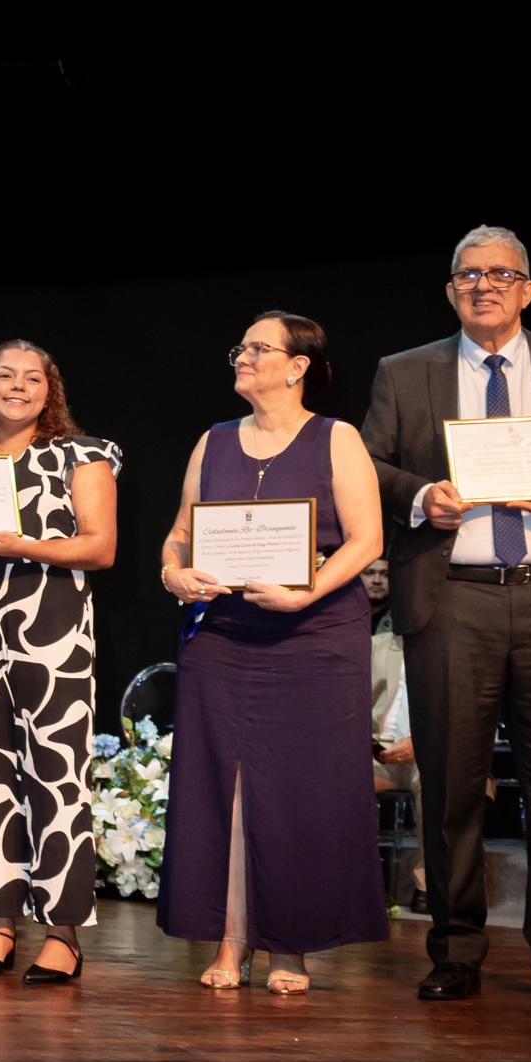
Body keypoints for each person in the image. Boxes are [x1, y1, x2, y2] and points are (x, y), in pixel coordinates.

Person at [360, 225, 531, 1007]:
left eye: (499, 273)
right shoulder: (404, 371)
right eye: (467, 275)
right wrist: (420, 496)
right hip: (454, 596)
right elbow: (368, 461)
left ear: (526, 288)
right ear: (452, 290)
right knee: (451, 784)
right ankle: (455, 947)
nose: (483, 285)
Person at [157, 311, 386, 994]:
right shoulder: (214, 440)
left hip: (313, 638)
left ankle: (292, 944)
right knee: (221, 784)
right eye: (240, 348)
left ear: (298, 366)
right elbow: (178, 535)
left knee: (304, 789)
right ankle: (232, 938)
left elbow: (367, 539)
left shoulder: (336, 438)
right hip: (223, 636)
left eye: (259, 348)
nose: (242, 358)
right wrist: (173, 573)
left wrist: (302, 591)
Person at [0, 340, 119, 984]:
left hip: (54, 639)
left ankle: (63, 933)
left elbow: (101, 549)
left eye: (33, 378)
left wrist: (24, 545)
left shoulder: (84, 455)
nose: (17, 387)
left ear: (51, 392)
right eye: (4, 375)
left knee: (56, 775)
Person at [365, 557, 426, 907]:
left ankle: (428, 887)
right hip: (381, 756)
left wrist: (422, 744)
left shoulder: (453, 650)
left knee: (437, 781)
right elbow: (353, 707)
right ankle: (348, 884)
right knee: (332, 778)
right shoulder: (378, 644)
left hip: (429, 754)